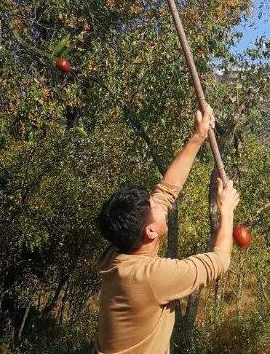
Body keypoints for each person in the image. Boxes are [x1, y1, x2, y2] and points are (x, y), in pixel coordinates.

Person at [95, 103, 240, 354]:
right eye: (155, 206)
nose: (160, 202)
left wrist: (198, 137)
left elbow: (165, 192)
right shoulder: (153, 278)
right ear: (149, 232)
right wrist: (226, 212)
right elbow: (220, 260)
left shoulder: (116, 255)